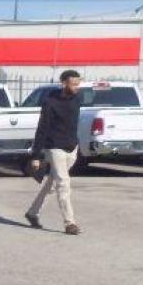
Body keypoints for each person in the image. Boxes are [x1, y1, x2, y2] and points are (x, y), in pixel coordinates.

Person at [25, 70, 84, 235]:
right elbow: (42, 127)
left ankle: (32, 213)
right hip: (55, 147)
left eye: (78, 84)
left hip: (72, 146)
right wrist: (36, 155)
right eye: (73, 84)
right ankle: (70, 223)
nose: (77, 87)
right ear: (64, 83)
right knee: (63, 183)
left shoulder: (78, 98)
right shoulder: (50, 101)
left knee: (52, 184)